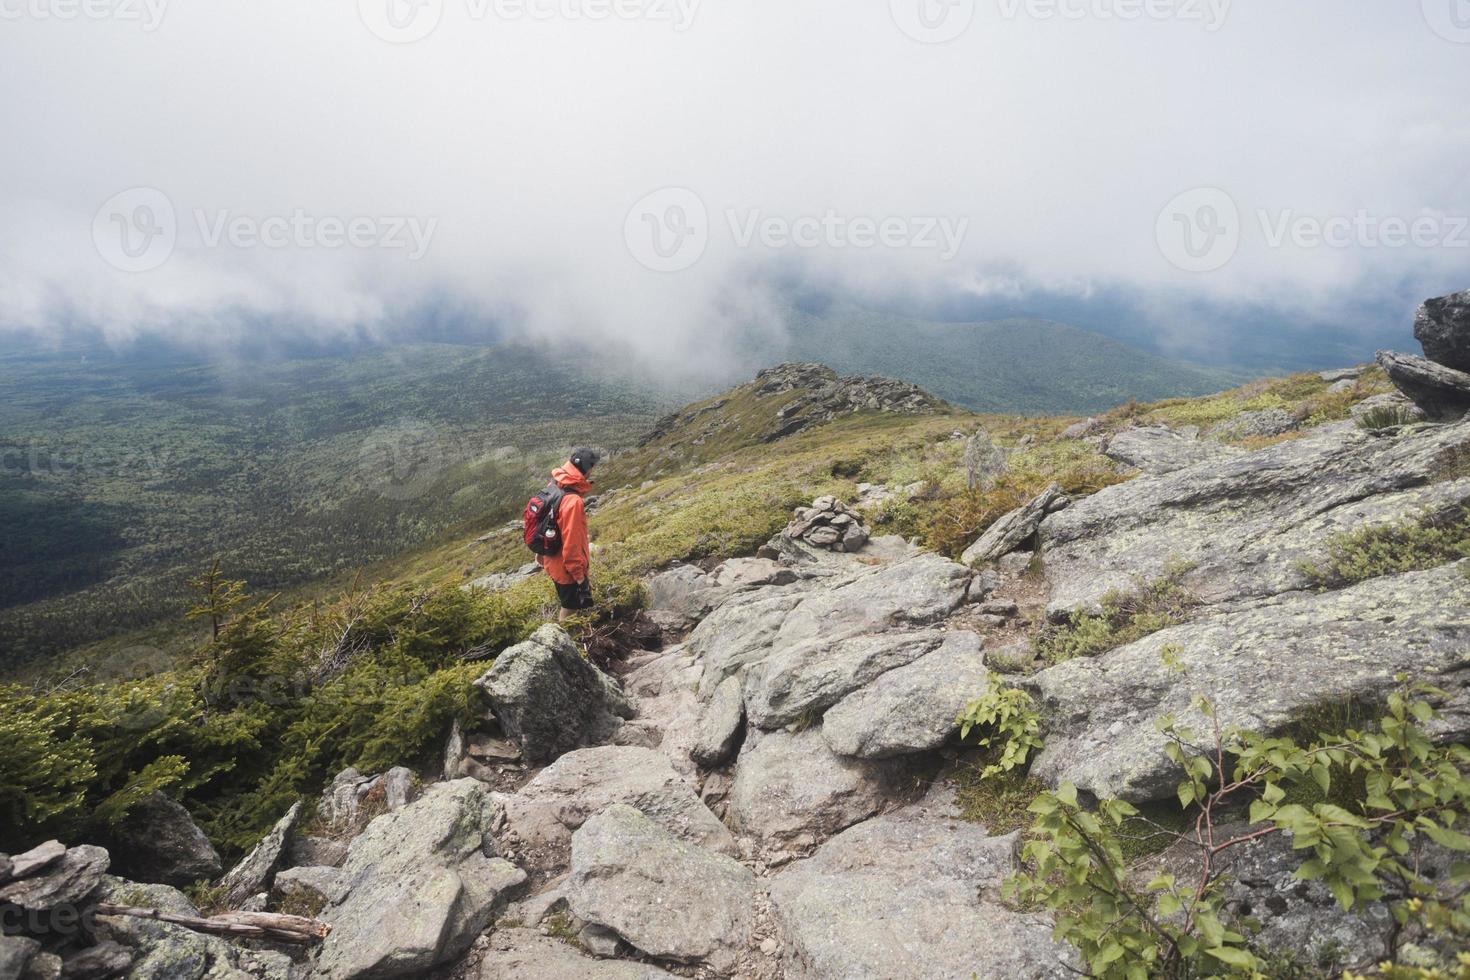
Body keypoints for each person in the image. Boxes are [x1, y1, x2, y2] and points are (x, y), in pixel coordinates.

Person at [539, 448, 598, 622]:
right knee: (570, 606)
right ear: (588, 469)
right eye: (592, 467)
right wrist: (580, 578)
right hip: (565, 569)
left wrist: (541, 553)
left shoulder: (555, 485)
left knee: (570, 602)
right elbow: (572, 545)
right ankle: (564, 641)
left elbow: (546, 521)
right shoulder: (573, 502)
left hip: (552, 558)